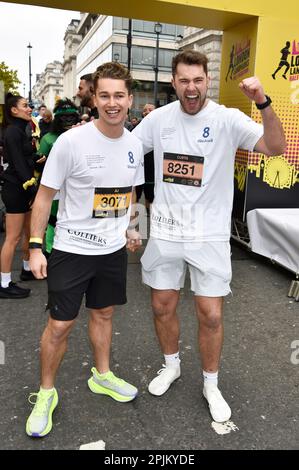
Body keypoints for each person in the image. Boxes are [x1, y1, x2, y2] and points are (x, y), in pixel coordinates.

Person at [133, 49, 286, 423]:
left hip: (210, 234)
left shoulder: (227, 119)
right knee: (161, 305)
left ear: (207, 81)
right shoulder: (158, 121)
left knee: (211, 314)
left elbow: (276, 147)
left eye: (198, 80)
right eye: (183, 80)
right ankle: (171, 366)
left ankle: (211, 383)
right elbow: (128, 152)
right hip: (166, 231)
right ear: (174, 82)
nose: (191, 88)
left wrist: (264, 102)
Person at [26, 61, 144, 437]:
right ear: (94, 98)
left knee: (105, 314)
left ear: (130, 99)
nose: (113, 103)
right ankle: (45, 393)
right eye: (105, 95)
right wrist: (34, 247)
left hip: (110, 252)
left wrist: (132, 227)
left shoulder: (135, 143)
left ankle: (103, 375)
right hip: (71, 250)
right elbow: (44, 199)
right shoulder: (71, 141)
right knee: (60, 325)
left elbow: (131, 191)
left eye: (119, 95)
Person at [0, 93, 38, 299]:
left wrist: (37, 159)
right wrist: (31, 186)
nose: (29, 108)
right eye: (25, 105)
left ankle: (27, 269)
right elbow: (17, 163)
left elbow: (25, 159)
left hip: (23, 188)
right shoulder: (12, 131)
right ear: (14, 110)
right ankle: (4, 284)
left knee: (29, 232)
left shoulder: (20, 129)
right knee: (12, 238)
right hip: (16, 189)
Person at [37, 98, 80, 256]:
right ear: (57, 119)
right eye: (64, 117)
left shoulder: (82, 136)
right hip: (56, 187)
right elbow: (37, 164)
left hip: (78, 186)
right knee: (54, 218)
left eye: (71, 116)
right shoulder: (48, 139)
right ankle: (49, 251)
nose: (68, 120)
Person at [135, 103, 156, 215]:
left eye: (150, 109)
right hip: (138, 166)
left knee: (150, 194)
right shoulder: (136, 127)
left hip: (152, 167)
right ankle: (133, 216)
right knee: (136, 192)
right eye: (145, 110)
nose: (147, 112)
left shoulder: (160, 127)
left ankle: (150, 214)